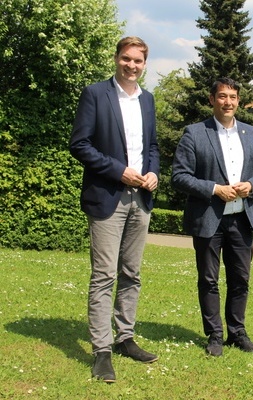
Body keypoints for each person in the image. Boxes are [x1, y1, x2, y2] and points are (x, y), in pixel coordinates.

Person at [69, 36, 160, 383]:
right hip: (108, 196)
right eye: (126, 59)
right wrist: (117, 170)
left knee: (132, 274)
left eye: (138, 61)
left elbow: (152, 145)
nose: (131, 66)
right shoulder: (96, 94)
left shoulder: (148, 100)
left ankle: (124, 338)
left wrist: (152, 172)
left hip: (141, 199)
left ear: (144, 64)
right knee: (104, 275)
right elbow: (80, 143)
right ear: (116, 59)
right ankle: (102, 351)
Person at [171, 77, 253, 357]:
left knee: (241, 278)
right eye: (222, 96)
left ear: (239, 101)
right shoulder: (194, 133)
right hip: (208, 220)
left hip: (242, 219)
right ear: (212, 100)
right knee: (209, 279)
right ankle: (215, 335)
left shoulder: (252, 134)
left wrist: (252, 186)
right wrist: (214, 189)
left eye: (233, 97)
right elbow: (179, 177)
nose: (228, 102)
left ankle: (237, 332)